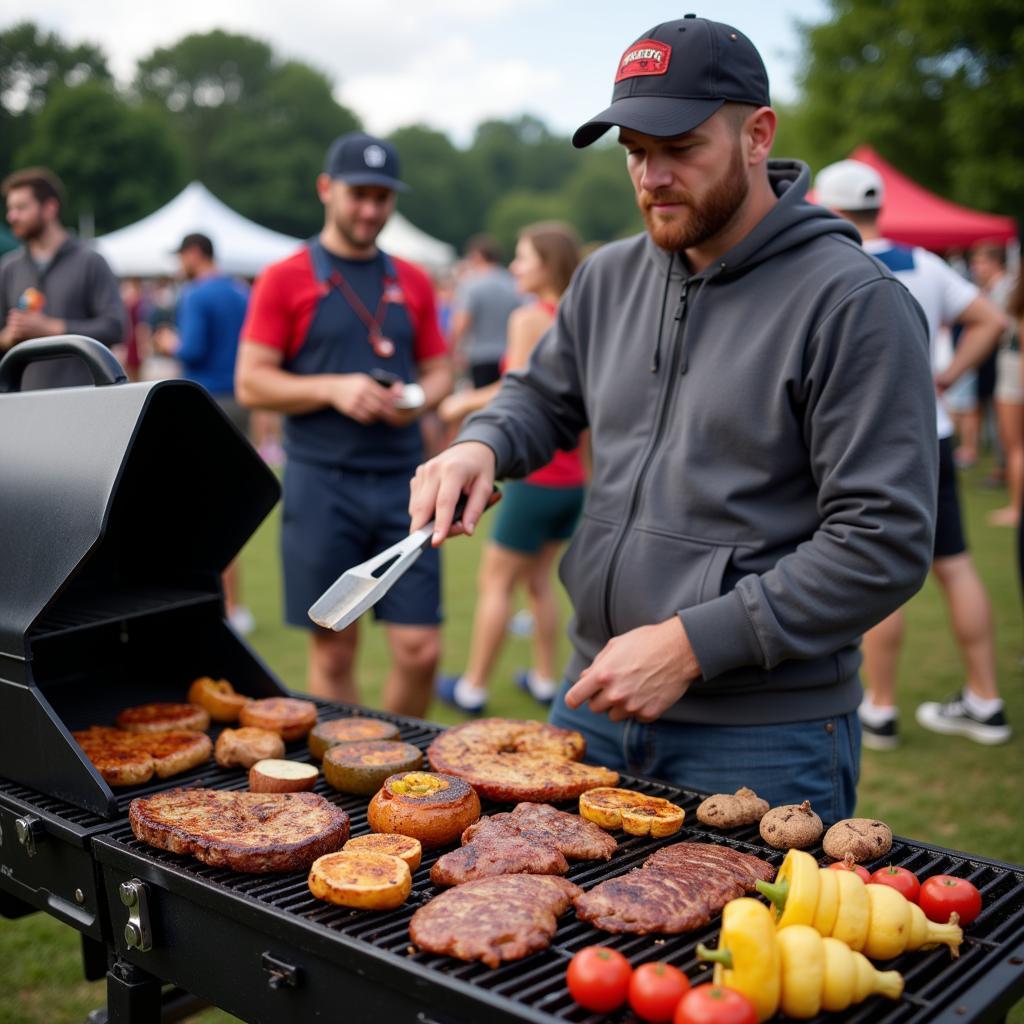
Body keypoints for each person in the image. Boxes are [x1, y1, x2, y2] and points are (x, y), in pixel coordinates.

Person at [408, 15, 937, 822]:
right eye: (633, 150)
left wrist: (696, 643)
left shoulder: (855, 303)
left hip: (764, 733)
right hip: (593, 701)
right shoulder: (608, 276)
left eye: (680, 146)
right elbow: (543, 396)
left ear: (757, 134)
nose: (651, 175)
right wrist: (482, 444)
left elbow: (884, 539)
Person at [235, 131, 452, 717]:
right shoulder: (285, 277)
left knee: (419, 648)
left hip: (407, 484)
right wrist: (333, 389)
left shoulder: (412, 278)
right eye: (359, 195)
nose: (371, 210)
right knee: (334, 650)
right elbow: (252, 380)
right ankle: (349, 773)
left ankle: (397, 765)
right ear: (326, 189)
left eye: (383, 197)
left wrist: (416, 398)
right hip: (322, 481)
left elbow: (440, 372)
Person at [815, 159, 1011, 749]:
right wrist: (945, 377)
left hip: (864, 441)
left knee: (870, 566)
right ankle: (986, 698)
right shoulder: (920, 261)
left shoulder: (831, 263)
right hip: (934, 431)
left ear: (828, 207)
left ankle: (880, 707)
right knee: (954, 564)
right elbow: (991, 319)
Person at [436, 222, 586, 713]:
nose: (515, 267)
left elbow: (517, 393)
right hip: (573, 481)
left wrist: (460, 403)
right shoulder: (585, 315)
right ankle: (546, 680)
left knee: (495, 583)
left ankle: (472, 687)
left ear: (549, 265)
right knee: (539, 581)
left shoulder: (531, 318)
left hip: (537, 476)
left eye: (524, 258)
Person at [173, 231, 255, 634]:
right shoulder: (240, 290)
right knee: (229, 504)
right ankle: (235, 606)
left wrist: (170, 341)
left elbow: (192, 349)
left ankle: (221, 606)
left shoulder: (195, 295)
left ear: (194, 254)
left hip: (206, 400)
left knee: (203, 509)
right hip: (240, 399)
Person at [1, 166, 124, 389]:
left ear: (49, 208)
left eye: (21, 208)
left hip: (82, 401)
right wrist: (11, 336)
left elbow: (115, 328)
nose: (12, 216)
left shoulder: (91, 261)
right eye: (10, 209)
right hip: (23, 405)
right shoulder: (8, 267)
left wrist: (51, 328)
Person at [969, 241, 1021, 527]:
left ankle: (1016, 508)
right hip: (1008, 364)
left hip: (1013, 366)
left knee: (1015, 444)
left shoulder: (1011, 290)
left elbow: (1003, 326)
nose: (977, 267)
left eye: (981, 262)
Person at [449, 235, 521, 387]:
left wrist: (453, 350)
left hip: (480, 356)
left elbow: (462, 322)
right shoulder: (513, 283)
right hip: (510, 354)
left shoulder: (471, 284)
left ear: (478, 256)